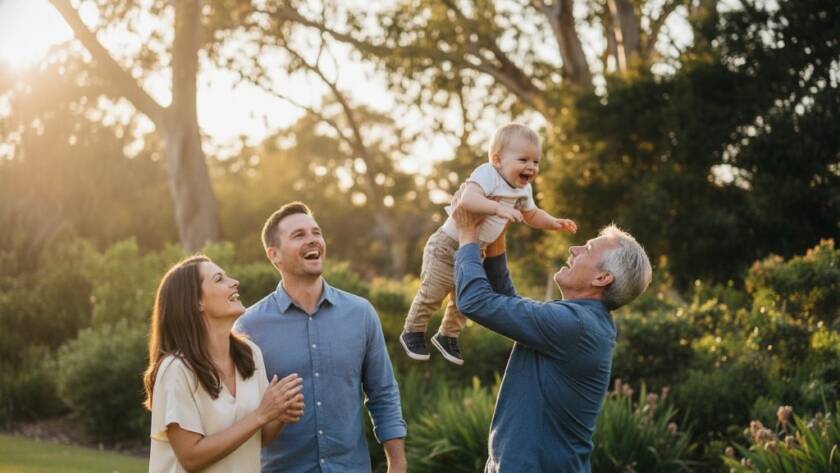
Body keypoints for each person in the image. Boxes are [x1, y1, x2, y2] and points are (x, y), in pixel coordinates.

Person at [450, 193, 652, 473]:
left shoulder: (575, 325)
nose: (574, 249)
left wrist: (468, 233)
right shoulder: (580, 321)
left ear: (602, 278)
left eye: (588, 249)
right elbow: (509, 303)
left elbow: (476, 301)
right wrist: (496, 235)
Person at [234, 202, 407, 473]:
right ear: (274, 255)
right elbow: (242, 415)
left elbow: (382, 393)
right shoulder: (248, 326)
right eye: (299, 235)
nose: (313, 239)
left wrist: (397, 463)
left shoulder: (360, 314)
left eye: (316, 232)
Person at [400, 122, 577, 365]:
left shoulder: (524, 189)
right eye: (523, 159)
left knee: (463, 301)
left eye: (536, 162)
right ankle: (413, 331)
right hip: (446, 246)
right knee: (433, 294)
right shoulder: (487, 174)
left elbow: (532, 214)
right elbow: (468, 200)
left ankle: (447, 336)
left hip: (476, 250)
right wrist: (498, 208)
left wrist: (553, 222)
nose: (531, 167)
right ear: (497, 159)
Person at [144, 255, 305, 473]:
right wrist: (261, 415)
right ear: (196, 301)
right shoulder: (175, 370)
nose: (234, 282)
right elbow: (191, 458)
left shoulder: (250, 355)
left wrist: (279, 414)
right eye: (219, 279)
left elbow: (259, 437)